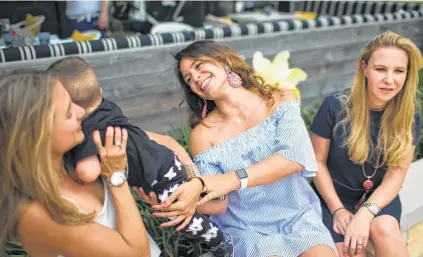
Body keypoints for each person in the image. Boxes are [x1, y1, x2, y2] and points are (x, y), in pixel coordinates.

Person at [144, 40, 338, 257]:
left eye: (199, 66)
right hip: (246, 230)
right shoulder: (204, 134)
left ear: (224, 60)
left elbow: (292, 160)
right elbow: (219, 204)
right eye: (189, 79)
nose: (196, 77)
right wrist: (176, 199)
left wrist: (232, 179)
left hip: (298, 218)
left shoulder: (281, 99)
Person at [47, 56, 234, 257]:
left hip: (157, 174)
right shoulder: (106, 107)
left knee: (180, 213)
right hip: (163, 159)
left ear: (74, 108)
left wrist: (103, 168)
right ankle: (215, 192)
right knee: (190, 200)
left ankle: (219, 242)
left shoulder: (90, 131)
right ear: (99, 92)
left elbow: (86, 171)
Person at [0, 70, 158, 256]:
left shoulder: (75, 152)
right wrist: (117, 176)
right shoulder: (37, 213)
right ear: (37, 136)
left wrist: (196, 182)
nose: (81, 112)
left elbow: (163, 142)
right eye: (68, 113)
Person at [310, 31, 422, 257]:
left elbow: (397, 174)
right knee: (349, 250)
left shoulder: (410, 115)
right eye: (381, 69)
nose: (389, 80)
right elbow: (317, 162)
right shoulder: (335, 106)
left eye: (398, 71)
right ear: (364, 68)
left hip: (378, 196)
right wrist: (337, 209)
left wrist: (366, 213)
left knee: (386, 229)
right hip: (332, 197)